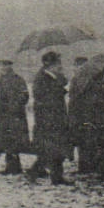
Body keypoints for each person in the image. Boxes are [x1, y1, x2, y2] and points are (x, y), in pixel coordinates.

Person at [29, 50, 71, 184]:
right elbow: (46, 98)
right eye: (58, 62)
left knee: (53, 150)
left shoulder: (54, 76)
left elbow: (59, 88)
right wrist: (62, 89)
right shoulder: (40, 79)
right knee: (52, 151)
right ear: (50, 65)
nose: (60, 65)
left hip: (56, 118)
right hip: (47, 120)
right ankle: (54, 177)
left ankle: (43, 174)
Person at [0, 58, 31, 176]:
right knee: (7, 141)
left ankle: (14, 167)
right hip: (3, 116)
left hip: (15, 116)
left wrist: (14, 105)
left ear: (10, 66)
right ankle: (11, 166)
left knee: (15, 141)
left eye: (6, 65)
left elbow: (24, 95)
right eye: (2, 65)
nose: (4, 67)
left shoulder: (18, 80)